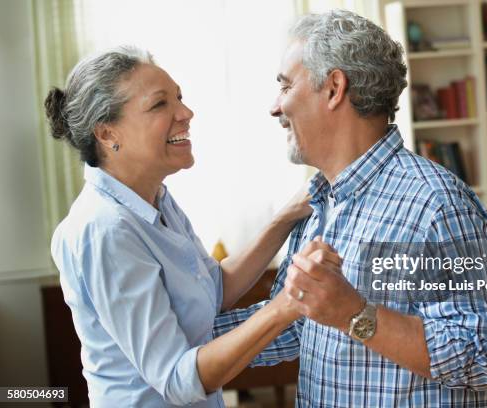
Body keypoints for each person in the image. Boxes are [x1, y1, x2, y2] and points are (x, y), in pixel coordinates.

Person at [214, 9, 487, 407]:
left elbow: (480, 355)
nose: (275, 107)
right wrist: (182, 342)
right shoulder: (318, 202)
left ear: (334, 88)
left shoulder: (437, 205)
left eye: (285, 86)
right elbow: (297, 321)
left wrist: (354, 313)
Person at [47, 46, 341, 407]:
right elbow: (176, 378)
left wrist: (287, 216)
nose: (186, 113)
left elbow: (213, 289)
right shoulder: (105, 230)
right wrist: (286, 305)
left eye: (180, 99)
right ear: (107, 134)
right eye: (160, 105)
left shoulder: (155, 199)